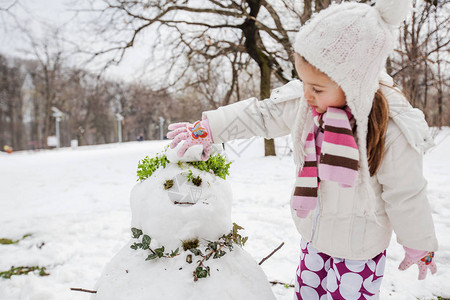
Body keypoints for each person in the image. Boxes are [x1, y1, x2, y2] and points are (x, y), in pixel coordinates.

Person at [167, 0, 438, 298]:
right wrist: (212, 128)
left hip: (359, 250)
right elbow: (263, 114)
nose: (306, 95)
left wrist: (418, 242)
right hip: (314, 237)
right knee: (307, 293)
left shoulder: (391, 128)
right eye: (304, 82)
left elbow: (407, 194)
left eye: (317, 88)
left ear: (354, 83)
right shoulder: (308, 104)